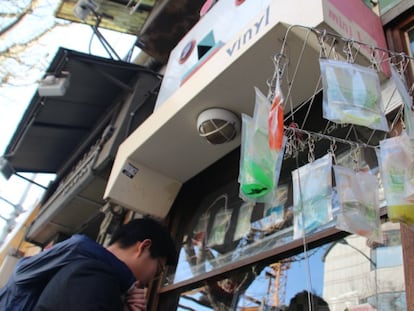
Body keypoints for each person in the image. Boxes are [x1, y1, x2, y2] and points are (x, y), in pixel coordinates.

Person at [0, 217, 177, 311]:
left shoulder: (79, 271)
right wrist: (127, 281)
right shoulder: (93, 274)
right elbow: (78, 244)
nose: (153, 280)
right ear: (143, 247)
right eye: (159, 269)